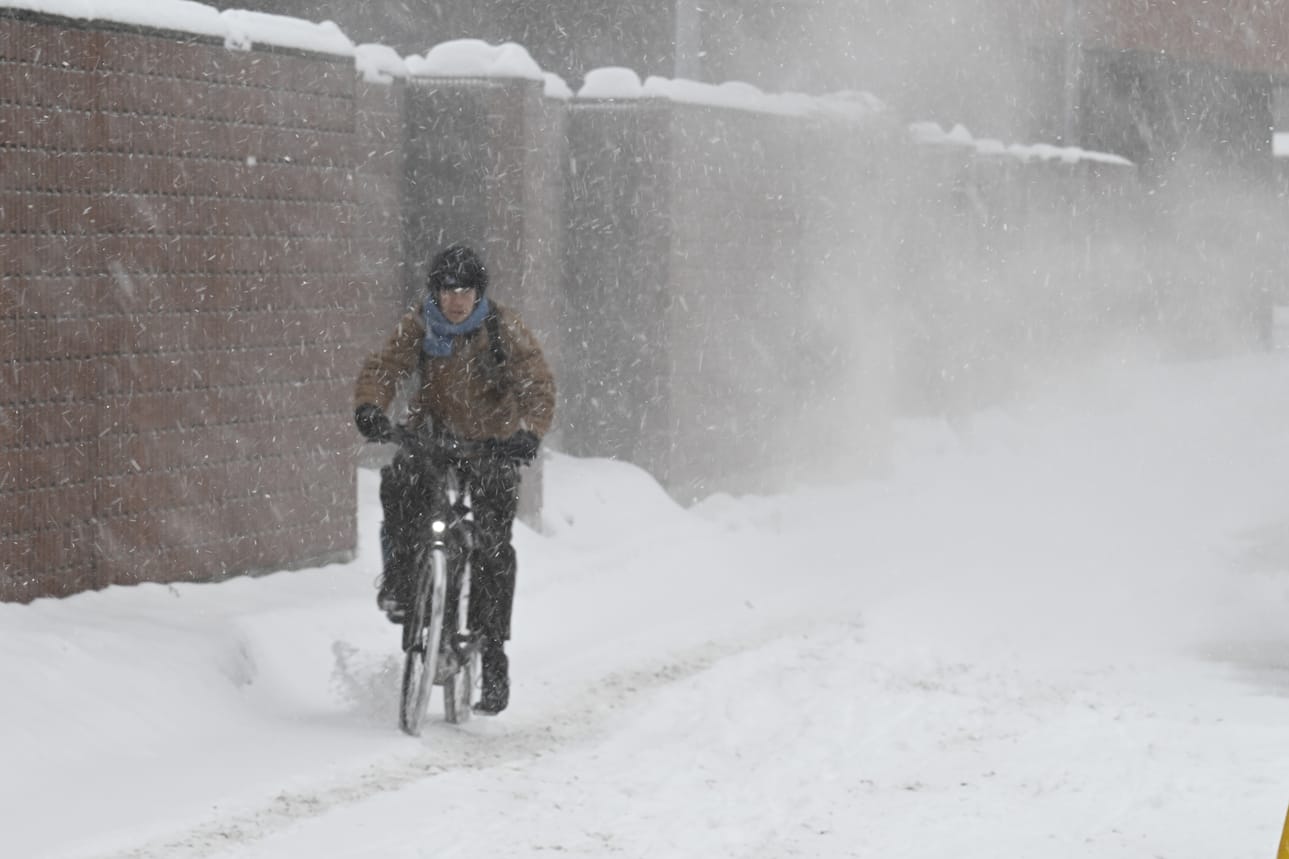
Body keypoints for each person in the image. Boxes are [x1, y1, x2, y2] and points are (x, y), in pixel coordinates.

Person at [353, 243, 555, 715]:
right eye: (448, 291)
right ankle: (404, 584)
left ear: (478, 293)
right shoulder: (420, 325)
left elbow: (536, 382)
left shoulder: (504, 329)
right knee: (400, 483)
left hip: (491, 443)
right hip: (434, 437)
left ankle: (493, 650)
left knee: (493, 546)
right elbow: (385, 366)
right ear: (435, 293)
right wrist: (370, 407)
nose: (456, 301)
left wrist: (529, 432)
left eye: (465, 291)